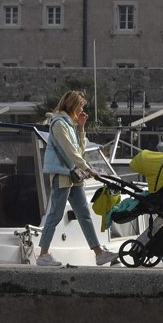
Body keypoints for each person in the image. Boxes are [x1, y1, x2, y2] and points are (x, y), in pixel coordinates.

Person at [37, 90, 117, 267]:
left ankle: (98, 253)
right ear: (72, 105)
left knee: (84, 214)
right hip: (62, 175)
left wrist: (81, 128)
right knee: (55, 215)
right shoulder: (59, 124)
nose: (81, 110)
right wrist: (88, 169)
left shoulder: (69, 125)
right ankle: (43, 254)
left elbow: (79, 150)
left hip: (73, 175)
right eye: (80, 106)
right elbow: (70, 152)